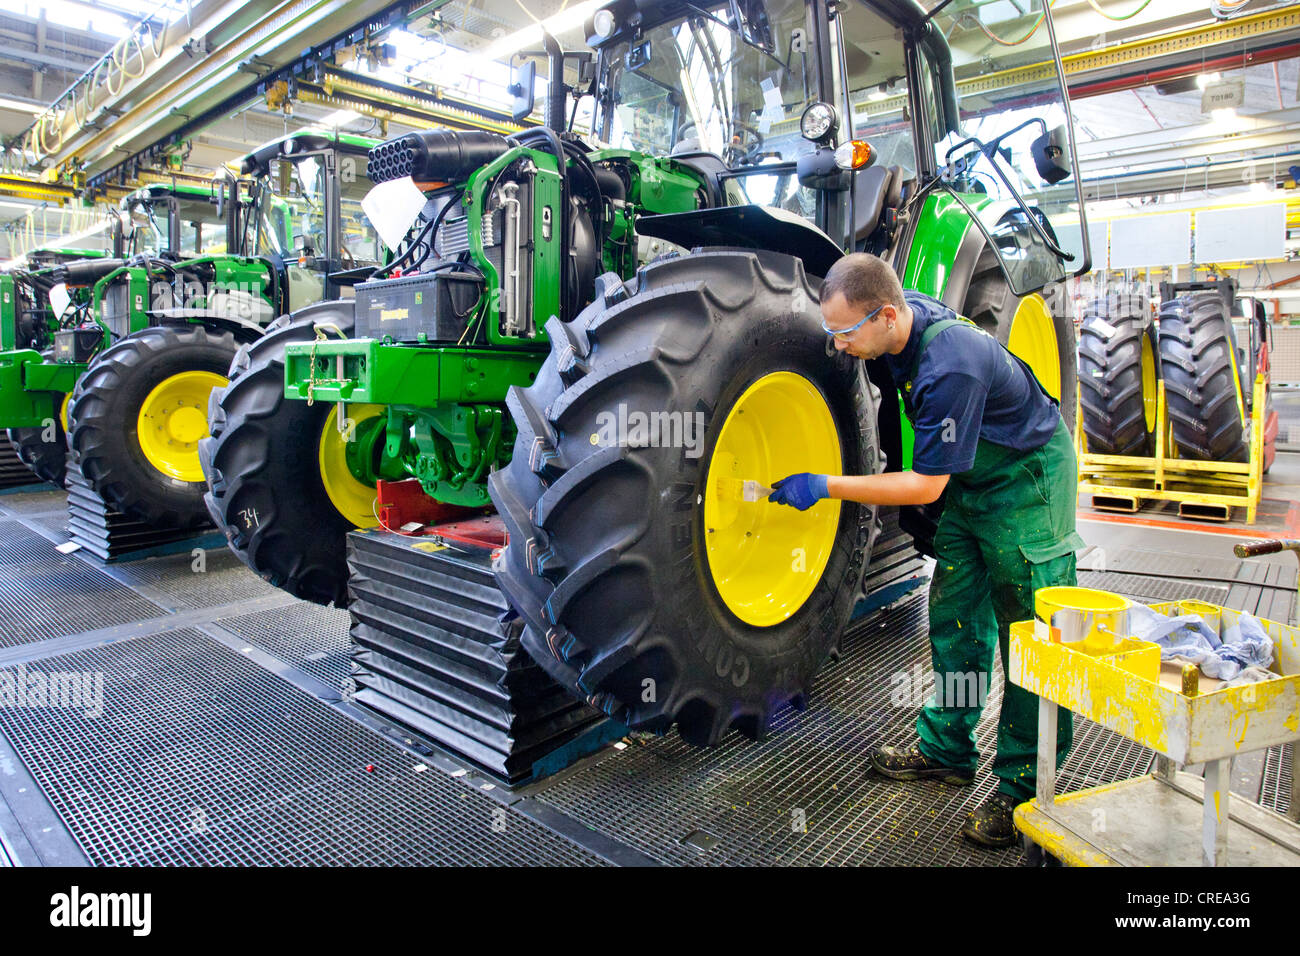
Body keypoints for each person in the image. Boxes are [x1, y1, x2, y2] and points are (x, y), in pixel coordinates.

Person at [770, 252, 1083, 849]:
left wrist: (825, 485)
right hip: (973, 480)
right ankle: (948, 750)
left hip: (1027, 478)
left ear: (886, 316)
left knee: (1031, 635)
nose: (837, 345)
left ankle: (1024, 789)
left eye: (844, 333)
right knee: (956, 615)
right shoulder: (895, 332)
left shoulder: (950, 365)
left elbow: (923, 485)